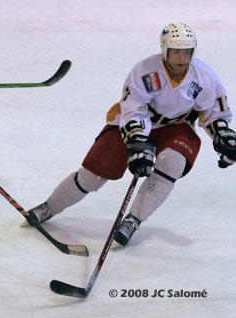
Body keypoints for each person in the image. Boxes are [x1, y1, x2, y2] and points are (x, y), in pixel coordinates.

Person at [27, 23, 235, 245]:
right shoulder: (145, 71)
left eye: (187, 52)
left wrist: (223, 137)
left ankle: (133, 220)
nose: (182, 58)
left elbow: (213, 112)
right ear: (165, 50)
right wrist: (138, 142)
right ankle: (50, 206)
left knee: (172, 162)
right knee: (93, 175)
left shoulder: (205, 77)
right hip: (129, 123)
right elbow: (134, 109)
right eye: (176, 51)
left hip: (176, 127)